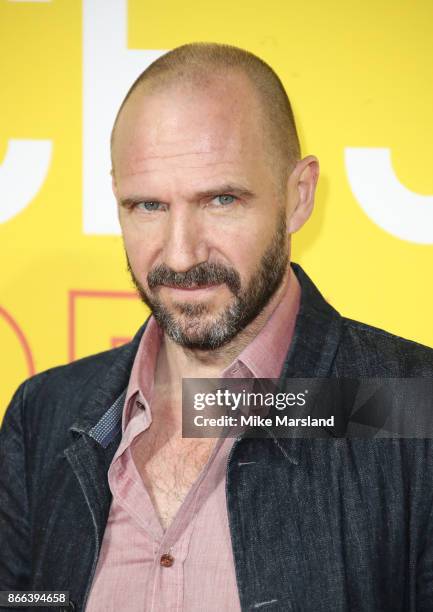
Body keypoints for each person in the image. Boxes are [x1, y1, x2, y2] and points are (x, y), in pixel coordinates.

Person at [1, 43, 433, 612]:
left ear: (297, 196)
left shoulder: (407, 406)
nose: (180, 256)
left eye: (221, 199)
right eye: (148, 206)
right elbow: (28, 601)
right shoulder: (44, 414)